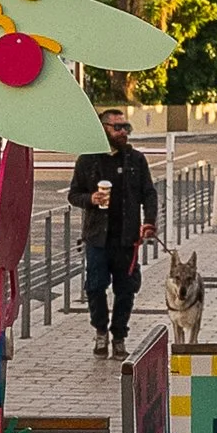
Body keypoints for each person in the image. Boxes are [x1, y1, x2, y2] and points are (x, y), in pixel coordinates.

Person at [68, 107, 156, 356]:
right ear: (103, 129)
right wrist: (91, 198)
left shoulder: (136, 160)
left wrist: (149, 221)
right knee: (95, 287)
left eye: (125, 127)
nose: (123, 132)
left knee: (126, 289)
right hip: (98, 237)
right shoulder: (88, 160)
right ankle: (100, 331)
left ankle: (119, 336)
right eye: (117, 127)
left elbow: (149, 193)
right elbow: (73, 195)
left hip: (127, 238)